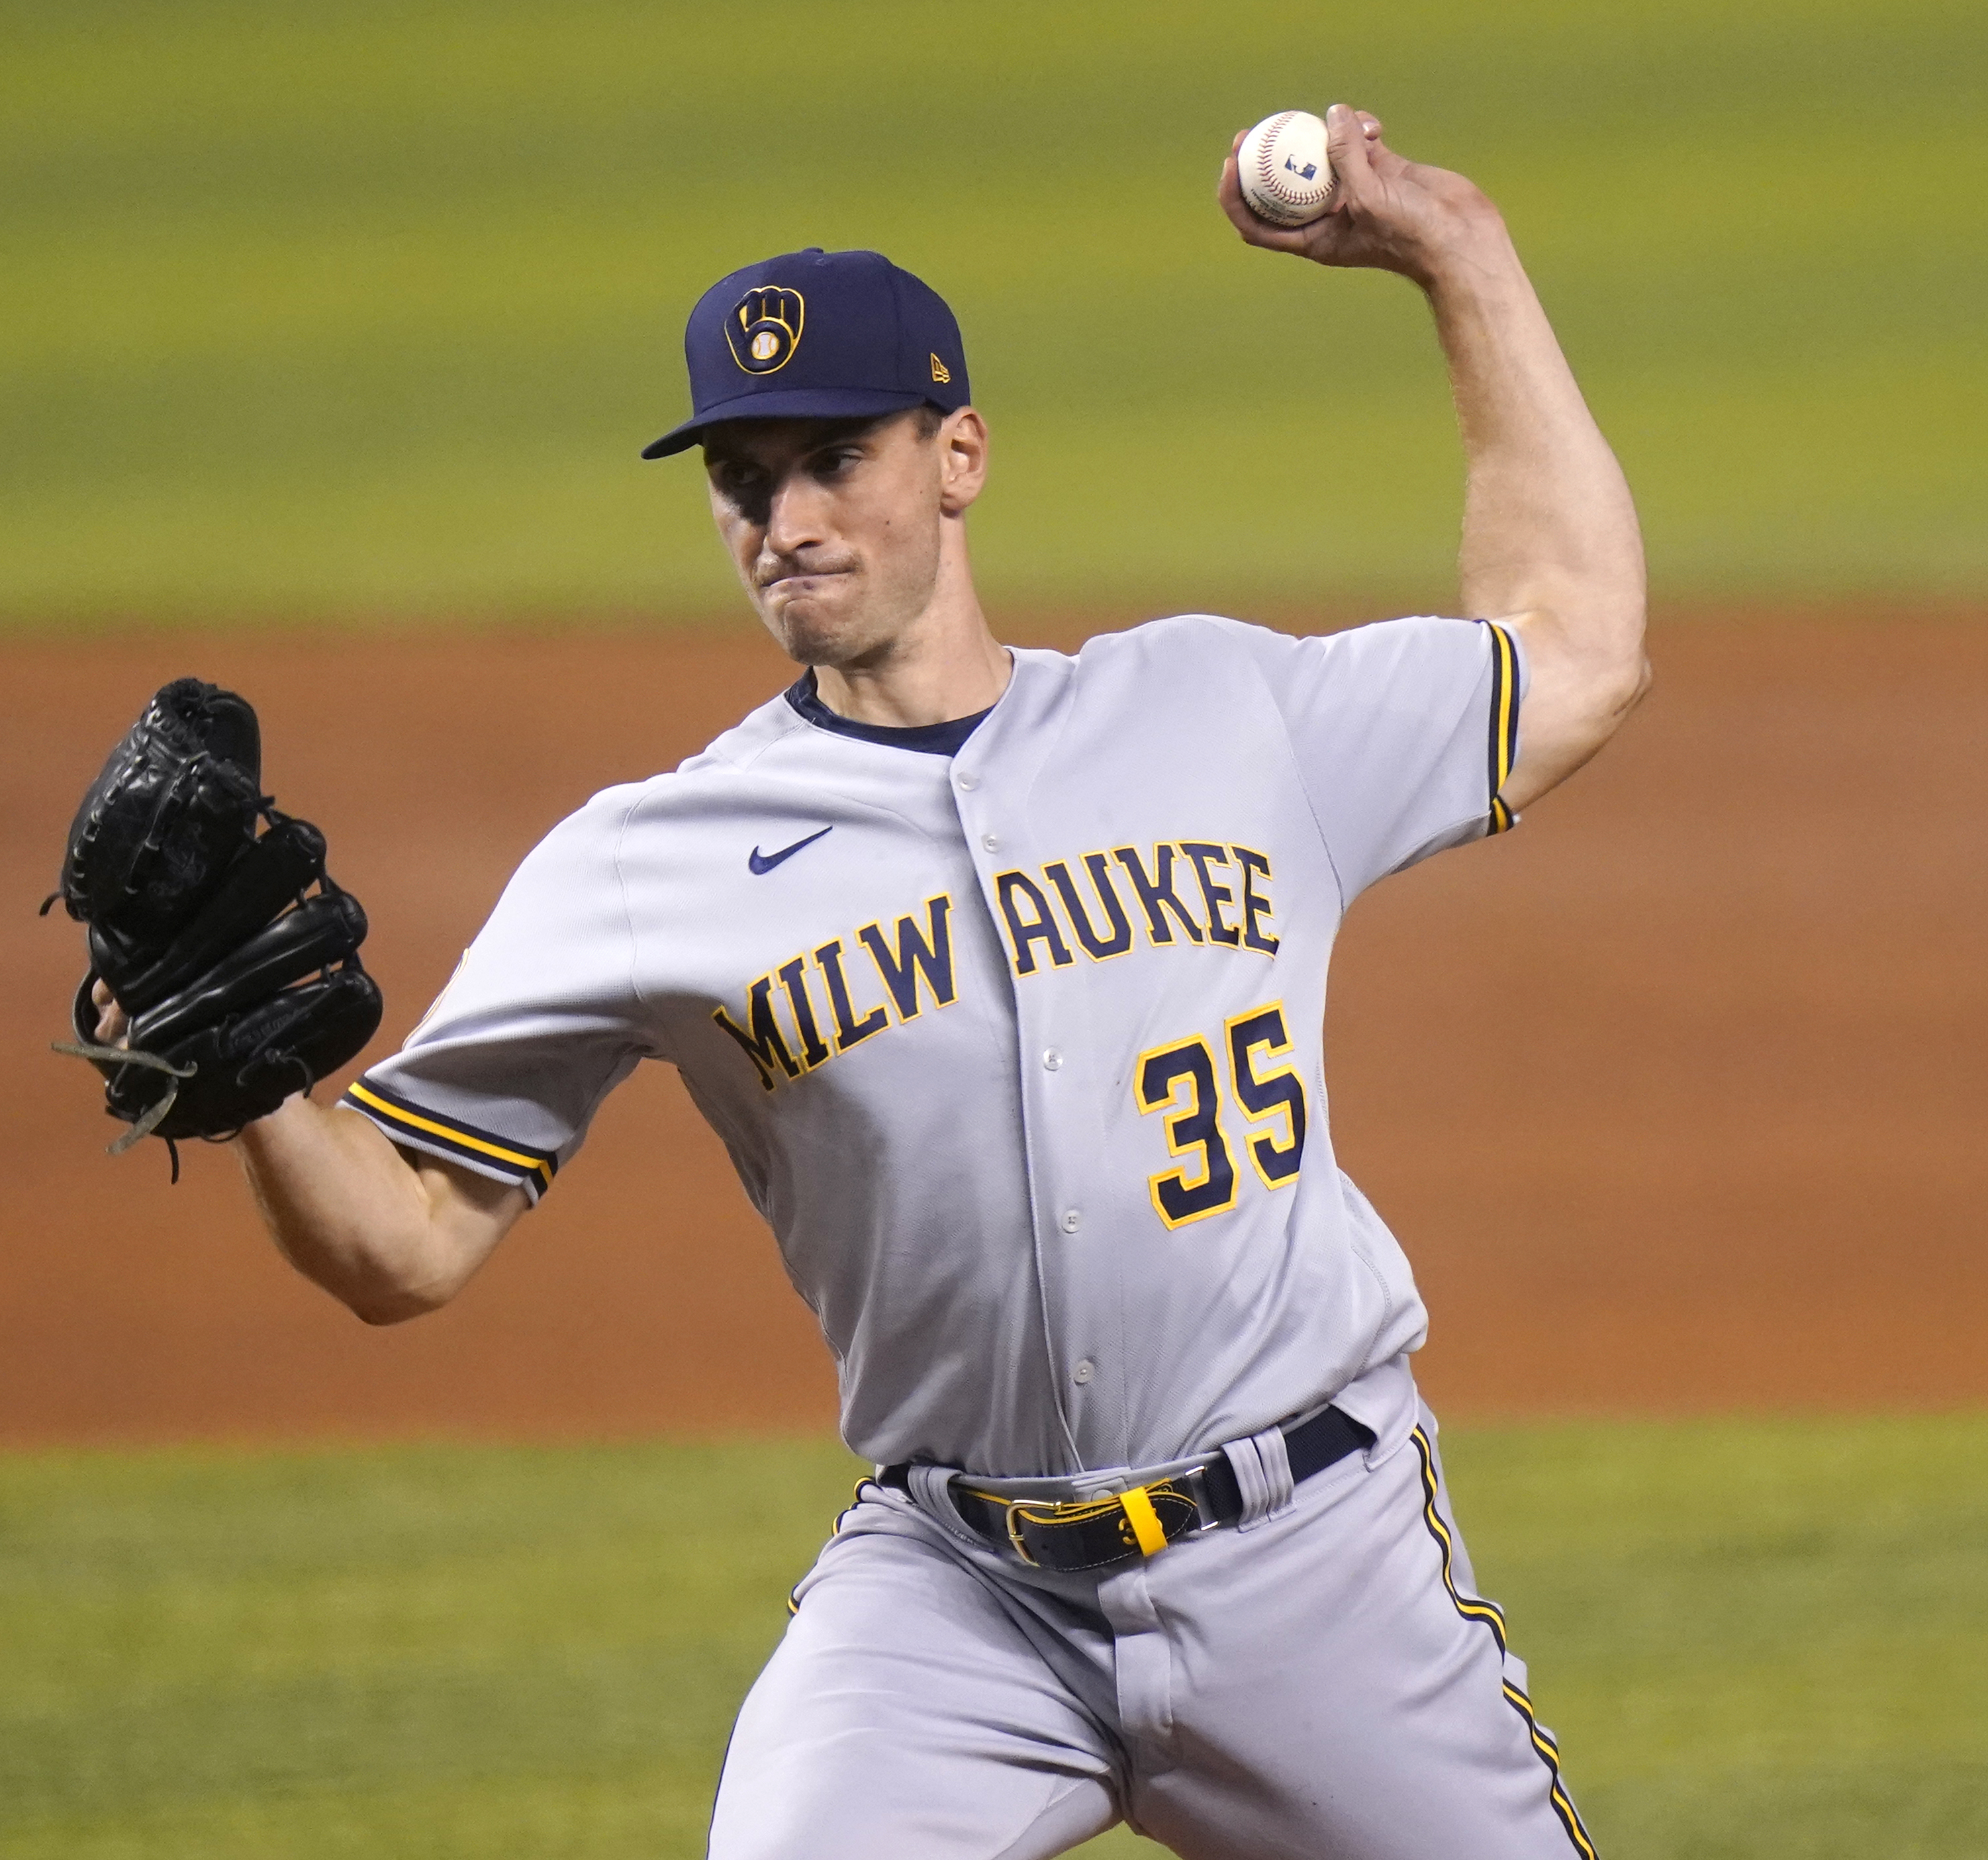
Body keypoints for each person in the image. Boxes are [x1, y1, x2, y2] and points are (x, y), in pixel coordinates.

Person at [118, 104, 1646, 1859]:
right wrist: (253, 1100)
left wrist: (1460, 249)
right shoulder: (649, 860)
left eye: (833, 454)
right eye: (741, 480)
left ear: (958, 454)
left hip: (1317, 1559)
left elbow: (1577, 648)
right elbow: (403, 1242)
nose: (785, 515)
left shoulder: (1226, 715)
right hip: (960, 1599)